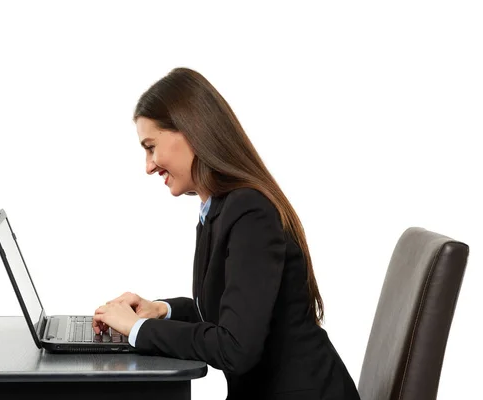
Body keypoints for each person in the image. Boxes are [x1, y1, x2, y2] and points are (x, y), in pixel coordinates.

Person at [92, 67, 361, 400]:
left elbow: (235, 347)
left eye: (151, 147)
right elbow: (234, 309)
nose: (148, 165)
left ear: (189, 131)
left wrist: (137, 329)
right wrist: (161, 310)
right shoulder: (219, 209)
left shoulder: (250, 213)